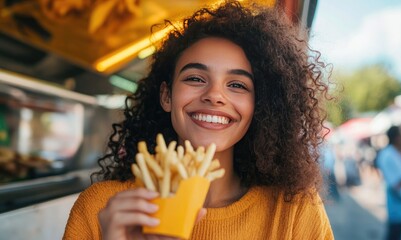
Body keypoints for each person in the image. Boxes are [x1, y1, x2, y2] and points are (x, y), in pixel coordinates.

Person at [63, 1, 334, 239]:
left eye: (238, 85)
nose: (214, 95)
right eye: (195, 78)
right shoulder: (100, 208)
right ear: (167, 96)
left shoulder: (296, 211)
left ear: (258, 106)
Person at [377, 126, 401, 240]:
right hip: (397, 204)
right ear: (397, 138)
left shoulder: (395, 153)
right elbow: (394, 183)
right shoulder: (387, 155)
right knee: (395, 234)